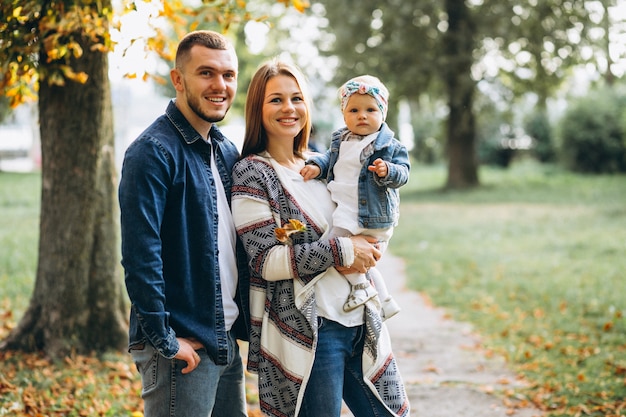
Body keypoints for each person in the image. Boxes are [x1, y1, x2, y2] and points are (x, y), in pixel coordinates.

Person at [231, 60, 410, 417]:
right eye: (276, 100)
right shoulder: (252, 172)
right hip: (312, 331)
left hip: (362, 320)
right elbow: (267, 261)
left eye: (296, 98)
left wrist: (373, 247)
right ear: (257, 108)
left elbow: (376, 212)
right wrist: (343, 250)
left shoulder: (324, 163)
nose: (289, 108)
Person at [118, 30, 250, 417]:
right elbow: (141, 257)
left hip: (223, 338)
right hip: (181, 344)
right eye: (206, 73)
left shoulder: (225, 150)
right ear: (178, 79)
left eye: (228, 75)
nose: (219, 85)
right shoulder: (152, 152)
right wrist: (165, 339)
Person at [301, 75, 410, 320]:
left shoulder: (389, 146)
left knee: (334, 251)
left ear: (383, 112)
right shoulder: (342, 140)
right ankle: (384, 299)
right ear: (344, 114)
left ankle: (362, 288)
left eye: (370, 109)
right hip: (348, 211)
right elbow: (329, 158)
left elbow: (404, 173)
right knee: (354, 260)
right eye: (354, 110)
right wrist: (317, 166)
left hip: (368, 214)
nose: (362, 115)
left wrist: (387, 170)